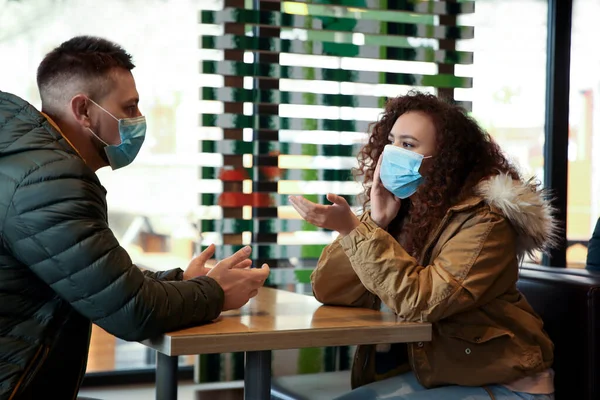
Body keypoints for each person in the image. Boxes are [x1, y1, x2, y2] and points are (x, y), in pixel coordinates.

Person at [0, 36, 269, 399]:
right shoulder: (49, 179)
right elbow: (132, 311)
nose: (138, 121)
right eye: (129, 108)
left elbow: (89, 275)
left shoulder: (26, 160)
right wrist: (215, 293)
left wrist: (179, 280)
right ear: (83, 110)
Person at [289, 92, 558, 399]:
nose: (391, 153)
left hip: (504, 385)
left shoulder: (486, 222)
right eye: (391, 141)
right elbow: (329, 291)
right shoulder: (401, 211)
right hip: (437, 377)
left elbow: (422, 301)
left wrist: (355, 230)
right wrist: (372, 224)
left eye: (408, 145)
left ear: (445, 158)